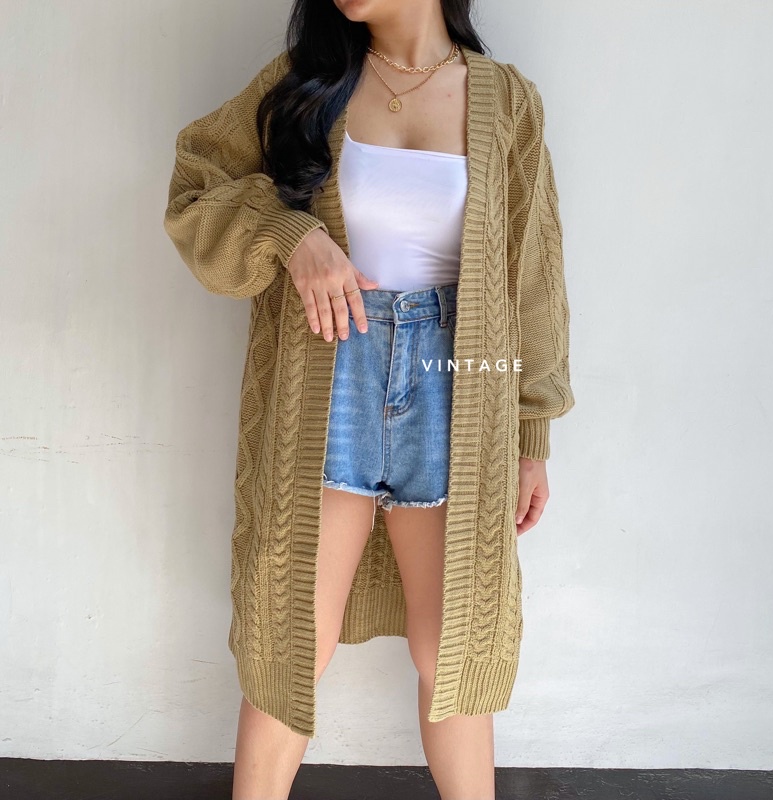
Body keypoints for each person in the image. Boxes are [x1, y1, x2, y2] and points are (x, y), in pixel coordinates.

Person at [163, 1, 575, 798]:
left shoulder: (505, 100)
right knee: (292, 639)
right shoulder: (307, 85)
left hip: (457, 386)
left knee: (453, 651)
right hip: (330, 372)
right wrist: (293, 237)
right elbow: (196, 185)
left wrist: (531, 434)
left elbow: (532, 274)